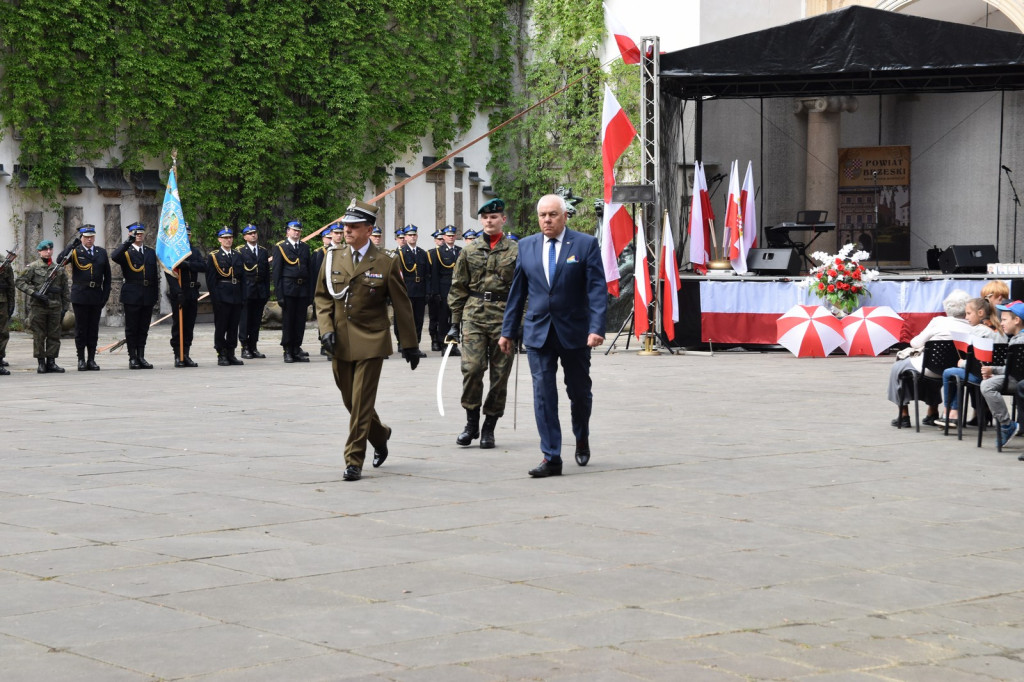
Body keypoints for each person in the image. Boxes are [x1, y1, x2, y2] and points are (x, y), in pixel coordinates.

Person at [499, 194, 607, 477]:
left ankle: (581, 436)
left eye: (552, 215)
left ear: (564, 216)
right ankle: (551, 456)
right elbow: (517, 293)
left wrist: (597, 328)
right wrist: (508, 331)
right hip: (538, 333)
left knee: (579, 393)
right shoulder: (526, 246)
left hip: (575, 332)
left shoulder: (585, 244)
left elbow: (596, 290)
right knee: (543, 395)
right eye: (542, 215)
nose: (546, 220)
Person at [314, 199, 420, 481]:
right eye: (346, 225)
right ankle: (380, 434)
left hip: (372, 338)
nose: (346, 230)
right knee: (350, 400)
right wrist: (325, 329)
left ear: (368, 228)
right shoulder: (332, 257)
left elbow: (402, 305)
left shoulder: (385, 261)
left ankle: (353, 460)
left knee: (361, 402)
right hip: (339, 339)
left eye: (353, 226)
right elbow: (323, 297)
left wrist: (409, 344)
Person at [448, 199, 517, 448]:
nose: (489, 221)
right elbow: (458, 287)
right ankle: (471, 423)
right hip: (474, 316)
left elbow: (524, 289)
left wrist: (522, 321)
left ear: (503, 220)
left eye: (494, 217)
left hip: (504, 318)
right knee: (472, 369)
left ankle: (489, 427)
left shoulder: (515, 251)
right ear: (481, 221)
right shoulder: (469, 251)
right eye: (485, 217)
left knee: (500, 375)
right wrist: (455, 323)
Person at [886, 289, 971, 427]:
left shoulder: (939, 322)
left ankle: (903, 414)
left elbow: (915, 343)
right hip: (957, 368)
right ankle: (932, 411)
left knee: (898, 367)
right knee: (935, 369)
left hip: (930, 367)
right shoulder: (972, 326)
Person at [936, 297, 1005, 428]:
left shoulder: (978, 330)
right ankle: (983, 413)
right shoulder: (999, 329)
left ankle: (951, 413)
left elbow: (976, 364)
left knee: (948, 373)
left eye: (968, 313)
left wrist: (962, 363)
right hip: (998, 374)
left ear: (980, 313)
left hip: (982, 374)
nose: (966, 317)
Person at [56, 225, 111, 371]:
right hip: (80, 295)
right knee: (80, 329)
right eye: (86, 237)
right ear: (81, 238)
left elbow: (108, 277)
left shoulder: (101, 252)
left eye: (92, 237)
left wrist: (104, 296)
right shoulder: (75, 251)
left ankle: (91, 359)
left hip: (96, 295)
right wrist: (70, 246)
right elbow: (59, 261)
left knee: (93, 329)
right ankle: (81, 359)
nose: (89, 240)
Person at [15, 240, 69, 373]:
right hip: (38, 306)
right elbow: (19, 282)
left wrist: (65, 307)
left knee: (54, 335)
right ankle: (41, 362)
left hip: (55, 305)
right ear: (39, 252)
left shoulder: (59, 269)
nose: (48, 252)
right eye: (45, 250)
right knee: (39, 335)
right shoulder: (33, 267)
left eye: (50, 249)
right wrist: (35, 293)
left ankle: (51, 362)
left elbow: (65, 289)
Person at [111, 222, 159, 369]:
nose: (139, 235)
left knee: (143, 328)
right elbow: (114, 256)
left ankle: (141, 356)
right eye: (135, 233)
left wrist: (155, 295)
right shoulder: (126, 251)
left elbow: (154, 275)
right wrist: (128, 242)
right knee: (132, 328)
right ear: (130, 234)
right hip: (132, 293)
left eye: (140, 233)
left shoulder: (150, 252)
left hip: (147, 293)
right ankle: (132, 357)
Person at [980, 300, 1024, 447]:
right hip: (1016, 379)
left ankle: (1006, 425)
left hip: (1016, 380)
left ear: (1017, 320)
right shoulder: (1015, 339)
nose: (1001, 322)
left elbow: (1012, 370)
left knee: (987, 385)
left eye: (1004, 319)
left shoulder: (1018, 342)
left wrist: (992, 369)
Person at [273, 219, 312, 363]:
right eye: (294, 230)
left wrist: (309, 293)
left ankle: (296, 348)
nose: (296, 233)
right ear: (288, 231)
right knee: (288, 321)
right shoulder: (281, 247)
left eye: (299, 230)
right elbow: (277, 272)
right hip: (288, 288)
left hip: (302, 289)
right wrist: (279, 294)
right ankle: (287, 350)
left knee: (300, 321)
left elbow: (309, 270)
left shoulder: (304, 247)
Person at [166, 223, 204, 367]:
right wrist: (177, 291)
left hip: (192, 292)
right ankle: (178, 355)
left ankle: (186, 354)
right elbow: (169, 274)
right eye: (184, 235)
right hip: (179, 293)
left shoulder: (194, 251)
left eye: (188, 235)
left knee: (189, 325)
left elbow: (203, 266)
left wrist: (188, 265)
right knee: (178, 325)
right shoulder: (173, 252)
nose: (186, 237)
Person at [207, 227, 246, 365]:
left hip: (236, 294)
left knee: (233, 326)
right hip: (222, 295)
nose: (228, 240)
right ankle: (221, 353)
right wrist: (215, 298)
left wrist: (243, 297)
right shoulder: (214, 256)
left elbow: (243, 278)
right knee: (221, 326)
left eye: (230, 237)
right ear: (219, 240)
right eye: (225, 238)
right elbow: (211, 281)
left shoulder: (237, 255)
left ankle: (231, 352)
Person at [237, 223, 270, 359]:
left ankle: (253, 346)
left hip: (260, 290)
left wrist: (267, 291)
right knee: (245, 320)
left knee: (256, 321)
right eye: (250, 233)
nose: (253, 235)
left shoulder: (263, 251)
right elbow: (239, 273)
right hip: (246, 289)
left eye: (254, 233)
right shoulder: (240, 251)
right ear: (245, 237)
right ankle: (244, 347)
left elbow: (266, 273)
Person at [397, 224, 429, 356]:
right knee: (406, 321)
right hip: (407, 291)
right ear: (405, 237)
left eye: (414, 235)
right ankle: (405, 347)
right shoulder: (400, 253)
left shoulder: (422, 253)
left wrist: (428, 292)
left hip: (420, 291)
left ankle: (415, 345)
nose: (412, 237)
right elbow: (398, 276)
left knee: (418, 320)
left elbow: (427, 274)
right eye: (410, 235)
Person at [429, 224, 462, 353]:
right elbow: (435, 274)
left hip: (457, 289)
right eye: (448, 236)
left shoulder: (460, 250)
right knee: (443, 319)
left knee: (455, 318)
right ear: (444, 237)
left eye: (453, 235)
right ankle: (444, 344)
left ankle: (454, 345)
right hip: (444, 289)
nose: (451, 238)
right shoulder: (438, 252)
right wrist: (435, 292)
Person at [0, 247, 15, 374]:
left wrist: (11, 304)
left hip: (2, 302)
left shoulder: (5, 263)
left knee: (3, 332)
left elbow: (10, 285)